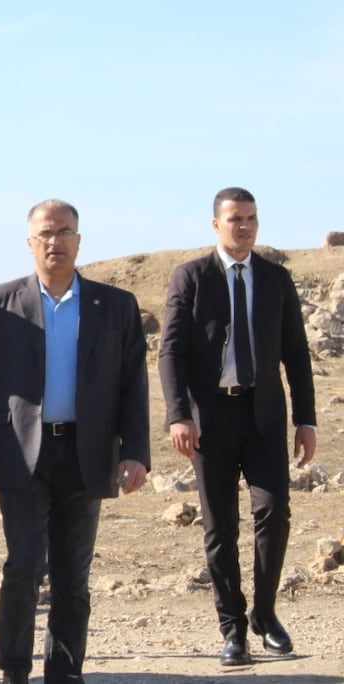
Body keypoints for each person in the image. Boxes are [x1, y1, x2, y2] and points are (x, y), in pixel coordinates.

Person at [0, 199, 149, 684]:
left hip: (87, 455)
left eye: (64, 232)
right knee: (24, 565)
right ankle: (14, 669)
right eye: (45, 233)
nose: (55, 242)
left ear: (79, 241)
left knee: (73, 575)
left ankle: (65, 672)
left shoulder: (115, 306)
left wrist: (134, 451)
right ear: (29, 243)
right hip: (21, 456)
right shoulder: (1, 303)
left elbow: (134, 385)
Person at [158, 187, 316, 666]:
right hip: (211, 420)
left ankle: (266, 615)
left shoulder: (276, 279)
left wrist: (305, 419)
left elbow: (296, 354)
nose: (243, 226)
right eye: (234, 218)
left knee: (273, 511)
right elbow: (170, 351)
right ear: (216, 225)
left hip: (264, 414)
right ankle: (233, 628)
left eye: (251, 218)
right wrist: (178, 413)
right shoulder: (192, 277)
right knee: (219, 526)